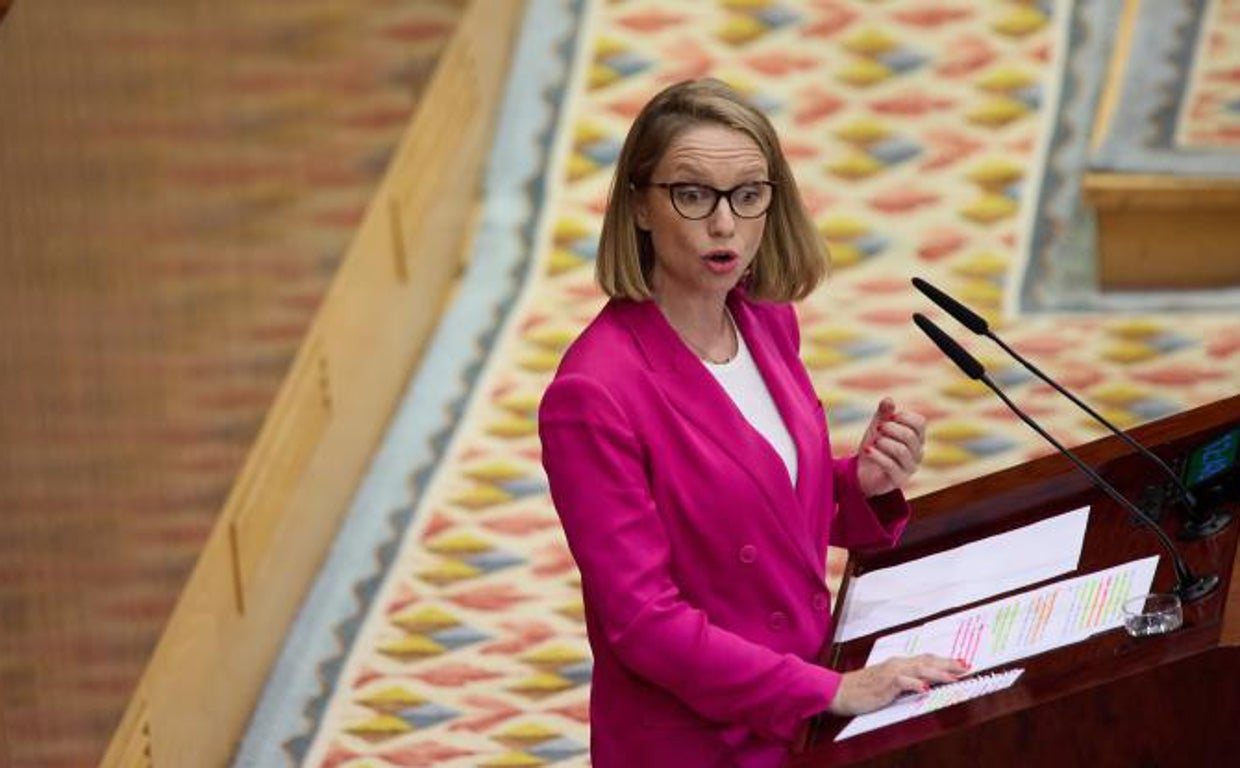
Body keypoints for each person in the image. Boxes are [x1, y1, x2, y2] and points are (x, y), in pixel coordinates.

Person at [538, 79, 967, 767]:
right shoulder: (593, 394)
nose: (723, 224)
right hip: (702, 741)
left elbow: (758, 509)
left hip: (800, 705)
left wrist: (859, 483)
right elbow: (644, 623)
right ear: (639, 207)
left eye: (747, 194)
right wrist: (827, 690)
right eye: (691, 194)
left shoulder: (764, 319)